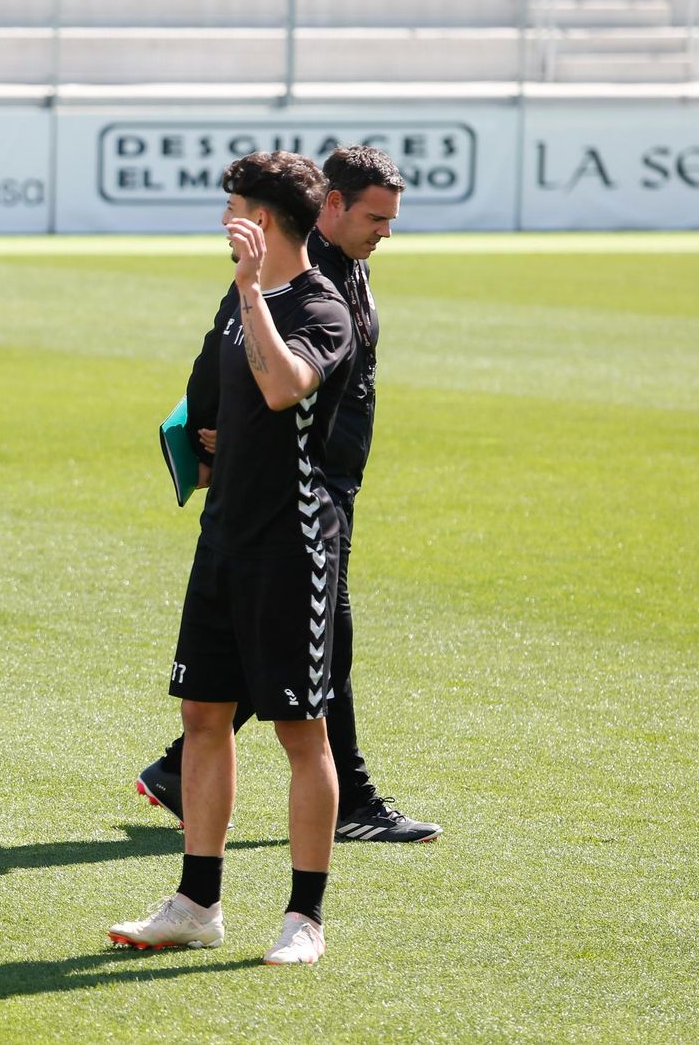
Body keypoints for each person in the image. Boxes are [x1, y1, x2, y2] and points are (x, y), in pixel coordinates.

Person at [135, 146, 440, 844]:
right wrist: (208, 437)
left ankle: (181, 768)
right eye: (375, 217)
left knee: (295, 644)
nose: (385, 231)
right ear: (330, 206)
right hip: (300, 493)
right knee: (324, 642)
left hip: (330, 484)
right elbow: (222, 353)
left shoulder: (346, 268)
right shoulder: (295, 281)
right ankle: (351, 802)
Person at [108, 151, 352, 964]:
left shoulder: (324, 306)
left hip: (291, 549)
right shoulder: (229, 303)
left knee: (299, 729)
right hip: (223, 541)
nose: (224, 225)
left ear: (268, 221)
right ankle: (197, 901)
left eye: (236, 211)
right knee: (202, 717)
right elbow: (210, 406)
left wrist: (254, 293)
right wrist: (200, 449)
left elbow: (285, 388)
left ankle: (304, 918)